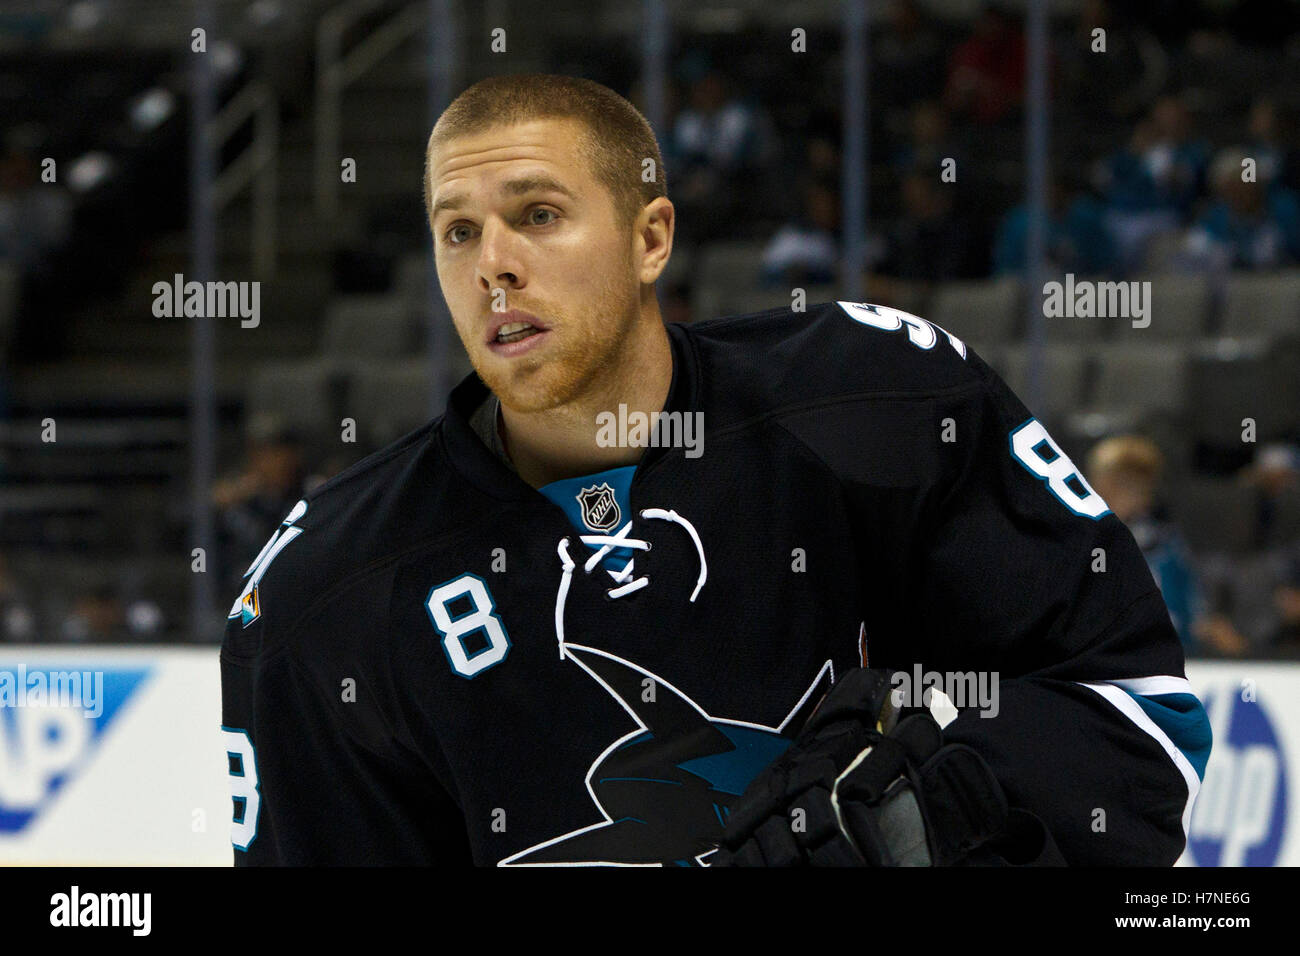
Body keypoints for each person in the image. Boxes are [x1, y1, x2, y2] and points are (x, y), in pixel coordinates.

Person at [220, 74, 1209, 867]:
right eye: (458, 231)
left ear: (652, 237)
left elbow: (1136, 721)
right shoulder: (322, 601)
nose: (495, 265)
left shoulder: (878, 405)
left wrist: (937, 815)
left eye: (539, 213)